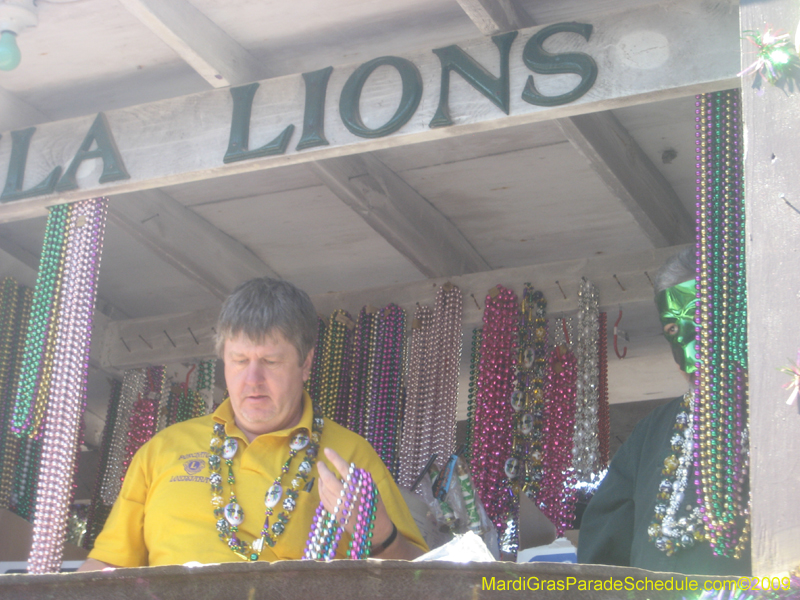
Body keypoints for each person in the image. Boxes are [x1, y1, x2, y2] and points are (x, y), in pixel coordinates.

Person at [80, 278, 427, 569]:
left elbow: (425, 580)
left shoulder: (351, 455)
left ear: (305, 363)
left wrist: (383, 537)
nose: (252, 379)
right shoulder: (162, 450)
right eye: (239, 360)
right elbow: (106, 569)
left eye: (270, 361)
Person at [576, 248, 750, 575]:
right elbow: (601, 553)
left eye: (699, 320)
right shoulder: (650, 435)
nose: (687, 354)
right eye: (672, 330)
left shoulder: (786, 411)